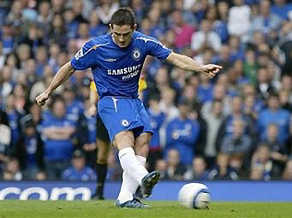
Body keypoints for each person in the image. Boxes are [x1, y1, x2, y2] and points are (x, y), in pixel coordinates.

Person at [36, 8, 221, 208]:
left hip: (133, 100)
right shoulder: (96, 47)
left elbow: (174, 57)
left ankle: (125, 197)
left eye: (126, 34)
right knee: (126, 138)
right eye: (117, 34)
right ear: (110, 28)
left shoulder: (143, 42)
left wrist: (200, 67)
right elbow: (69, 67)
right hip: (111, 100)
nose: (122, 39)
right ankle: (143, 178)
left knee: (144, 140)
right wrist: (48, 90)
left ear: (134, 28)